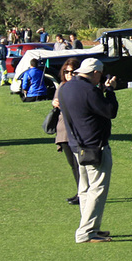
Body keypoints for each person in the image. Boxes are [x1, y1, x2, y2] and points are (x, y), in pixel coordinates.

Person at [59, 58, 118, 243]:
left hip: (77, 145)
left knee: (84, 189)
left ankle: (91, 227)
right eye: (99, 75)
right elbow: (110, 111)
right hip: (94, 146)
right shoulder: (90, 90)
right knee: (97, 189)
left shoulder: (66, 87)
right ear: (95, 73)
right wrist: (109, 91)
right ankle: (86, 232)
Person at [51, 59, 81, 205]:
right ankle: (79, 192)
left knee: (80, 164)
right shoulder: (62, 86)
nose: (69, 74)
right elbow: (56, 101)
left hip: (77, 131)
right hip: (63, 130)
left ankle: (83, 193)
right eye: (66, 72)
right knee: (73, 165)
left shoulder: (81, 87)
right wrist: (55, 103)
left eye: (72, 71)